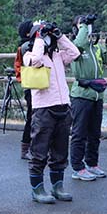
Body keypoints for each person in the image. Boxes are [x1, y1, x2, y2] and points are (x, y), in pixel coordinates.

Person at [23, 21, 80, 204]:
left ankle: (57, 186)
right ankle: (37, 189)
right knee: (39, 151)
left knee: (60, 151)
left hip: (63, 106)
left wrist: (59, 35)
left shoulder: (57, 55)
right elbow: (37, 61)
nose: (47, 37)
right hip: (43, 109)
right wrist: (39, 37)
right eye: (43, 35)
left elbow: (75, 52)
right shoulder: (29, 54)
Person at [69, 15, 107, 181]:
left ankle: (92, 163)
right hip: (82, 95)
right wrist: (83, 24)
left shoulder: (94, 48)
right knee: (79, 133)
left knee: (94, 133)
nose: (88, 29)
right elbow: (79, 44)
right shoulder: (76, 47)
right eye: (83, 26)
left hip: (97, 95)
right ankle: (77, 167)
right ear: (78, 29)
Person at [14, 20, 34, 160]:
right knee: (33, 116)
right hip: (32, 84)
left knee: (33, 116)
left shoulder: (26, 44)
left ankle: (28, 148)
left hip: (31, 84)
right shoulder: (27, 46)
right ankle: (26, 148)